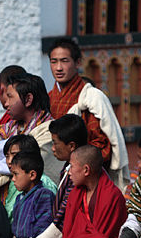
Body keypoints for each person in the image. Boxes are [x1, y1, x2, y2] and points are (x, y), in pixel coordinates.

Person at [47, 38, 130, 188]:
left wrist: (78, 166)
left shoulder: (90, 98)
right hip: (53, 176)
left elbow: (101, 144)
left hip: (85, 176)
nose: (58, 67)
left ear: (77, 63)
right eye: (54, 62)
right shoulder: (48, 99)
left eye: (65, 61)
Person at [0, 72, 61, 189]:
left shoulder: (48, 131)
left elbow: (26, 166)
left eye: (10, 97)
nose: (6, 103)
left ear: (28, 99)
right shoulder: (7, 128)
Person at [29, 114, 89, 238]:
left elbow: (62, 221)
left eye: (55, 143)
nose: (52, 148)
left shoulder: (79, 176)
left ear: (71, 146)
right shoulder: (67, 168)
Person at [0, 134, 58, 220]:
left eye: (14, 155)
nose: (9, 161)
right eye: (7, 156)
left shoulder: (44, 185)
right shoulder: (16, 181)